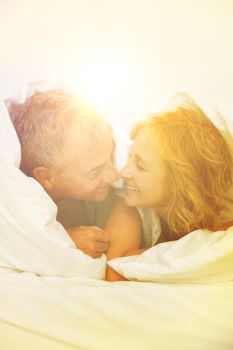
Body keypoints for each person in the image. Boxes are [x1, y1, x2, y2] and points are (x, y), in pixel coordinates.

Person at [106, 95, 233, 280]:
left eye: (140, 166)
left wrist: (139, 255)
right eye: (130, 156)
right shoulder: (128, 200)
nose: (124, 172)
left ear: (179, 182)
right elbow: (113, 271)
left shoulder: (220, 215)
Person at [8, 89, 140, 259]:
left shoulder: (114, 199)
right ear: (47, 177)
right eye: (95, 171)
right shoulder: (14, 202)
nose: (114, 175)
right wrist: (62, 241)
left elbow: (115, 271)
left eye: (111, 154)